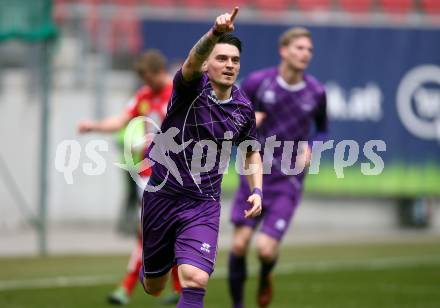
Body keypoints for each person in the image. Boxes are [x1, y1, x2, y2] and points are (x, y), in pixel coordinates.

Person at [138, 7, 263, 308]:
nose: (229, 65)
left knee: (195, 278)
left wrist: (257, 190)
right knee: (154, 286)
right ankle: (153, 265)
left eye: (235, 60)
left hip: (202, 204)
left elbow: (250, 151)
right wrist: (214, 34)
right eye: (222, 58)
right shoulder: (190, 87)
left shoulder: (244, 108)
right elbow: (192, 61)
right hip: (162, 195)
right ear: (207, 64)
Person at [228, 27, 328, 308]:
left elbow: (322, 130)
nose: (305, 54)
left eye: (309, 50)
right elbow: (233, 119)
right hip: (255, 173)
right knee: (238, 245)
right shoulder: (259, 83)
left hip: (288, 180)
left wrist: (312, 147)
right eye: (299, 48)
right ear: (283, 50)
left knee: (264, 250)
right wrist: (249, 121)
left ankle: (265, 275)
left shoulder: (316, 92)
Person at [78, 49, 182, 305]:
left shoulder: (179, 92)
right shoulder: (144, 95)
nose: (145, 83)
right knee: (147, 230)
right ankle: (128, 288)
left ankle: (173, 287)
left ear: (159, 72)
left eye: (147, 77)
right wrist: (95, 126)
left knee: (171, 230)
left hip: (179, 173)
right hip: (149, 174)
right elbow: (123, 119)